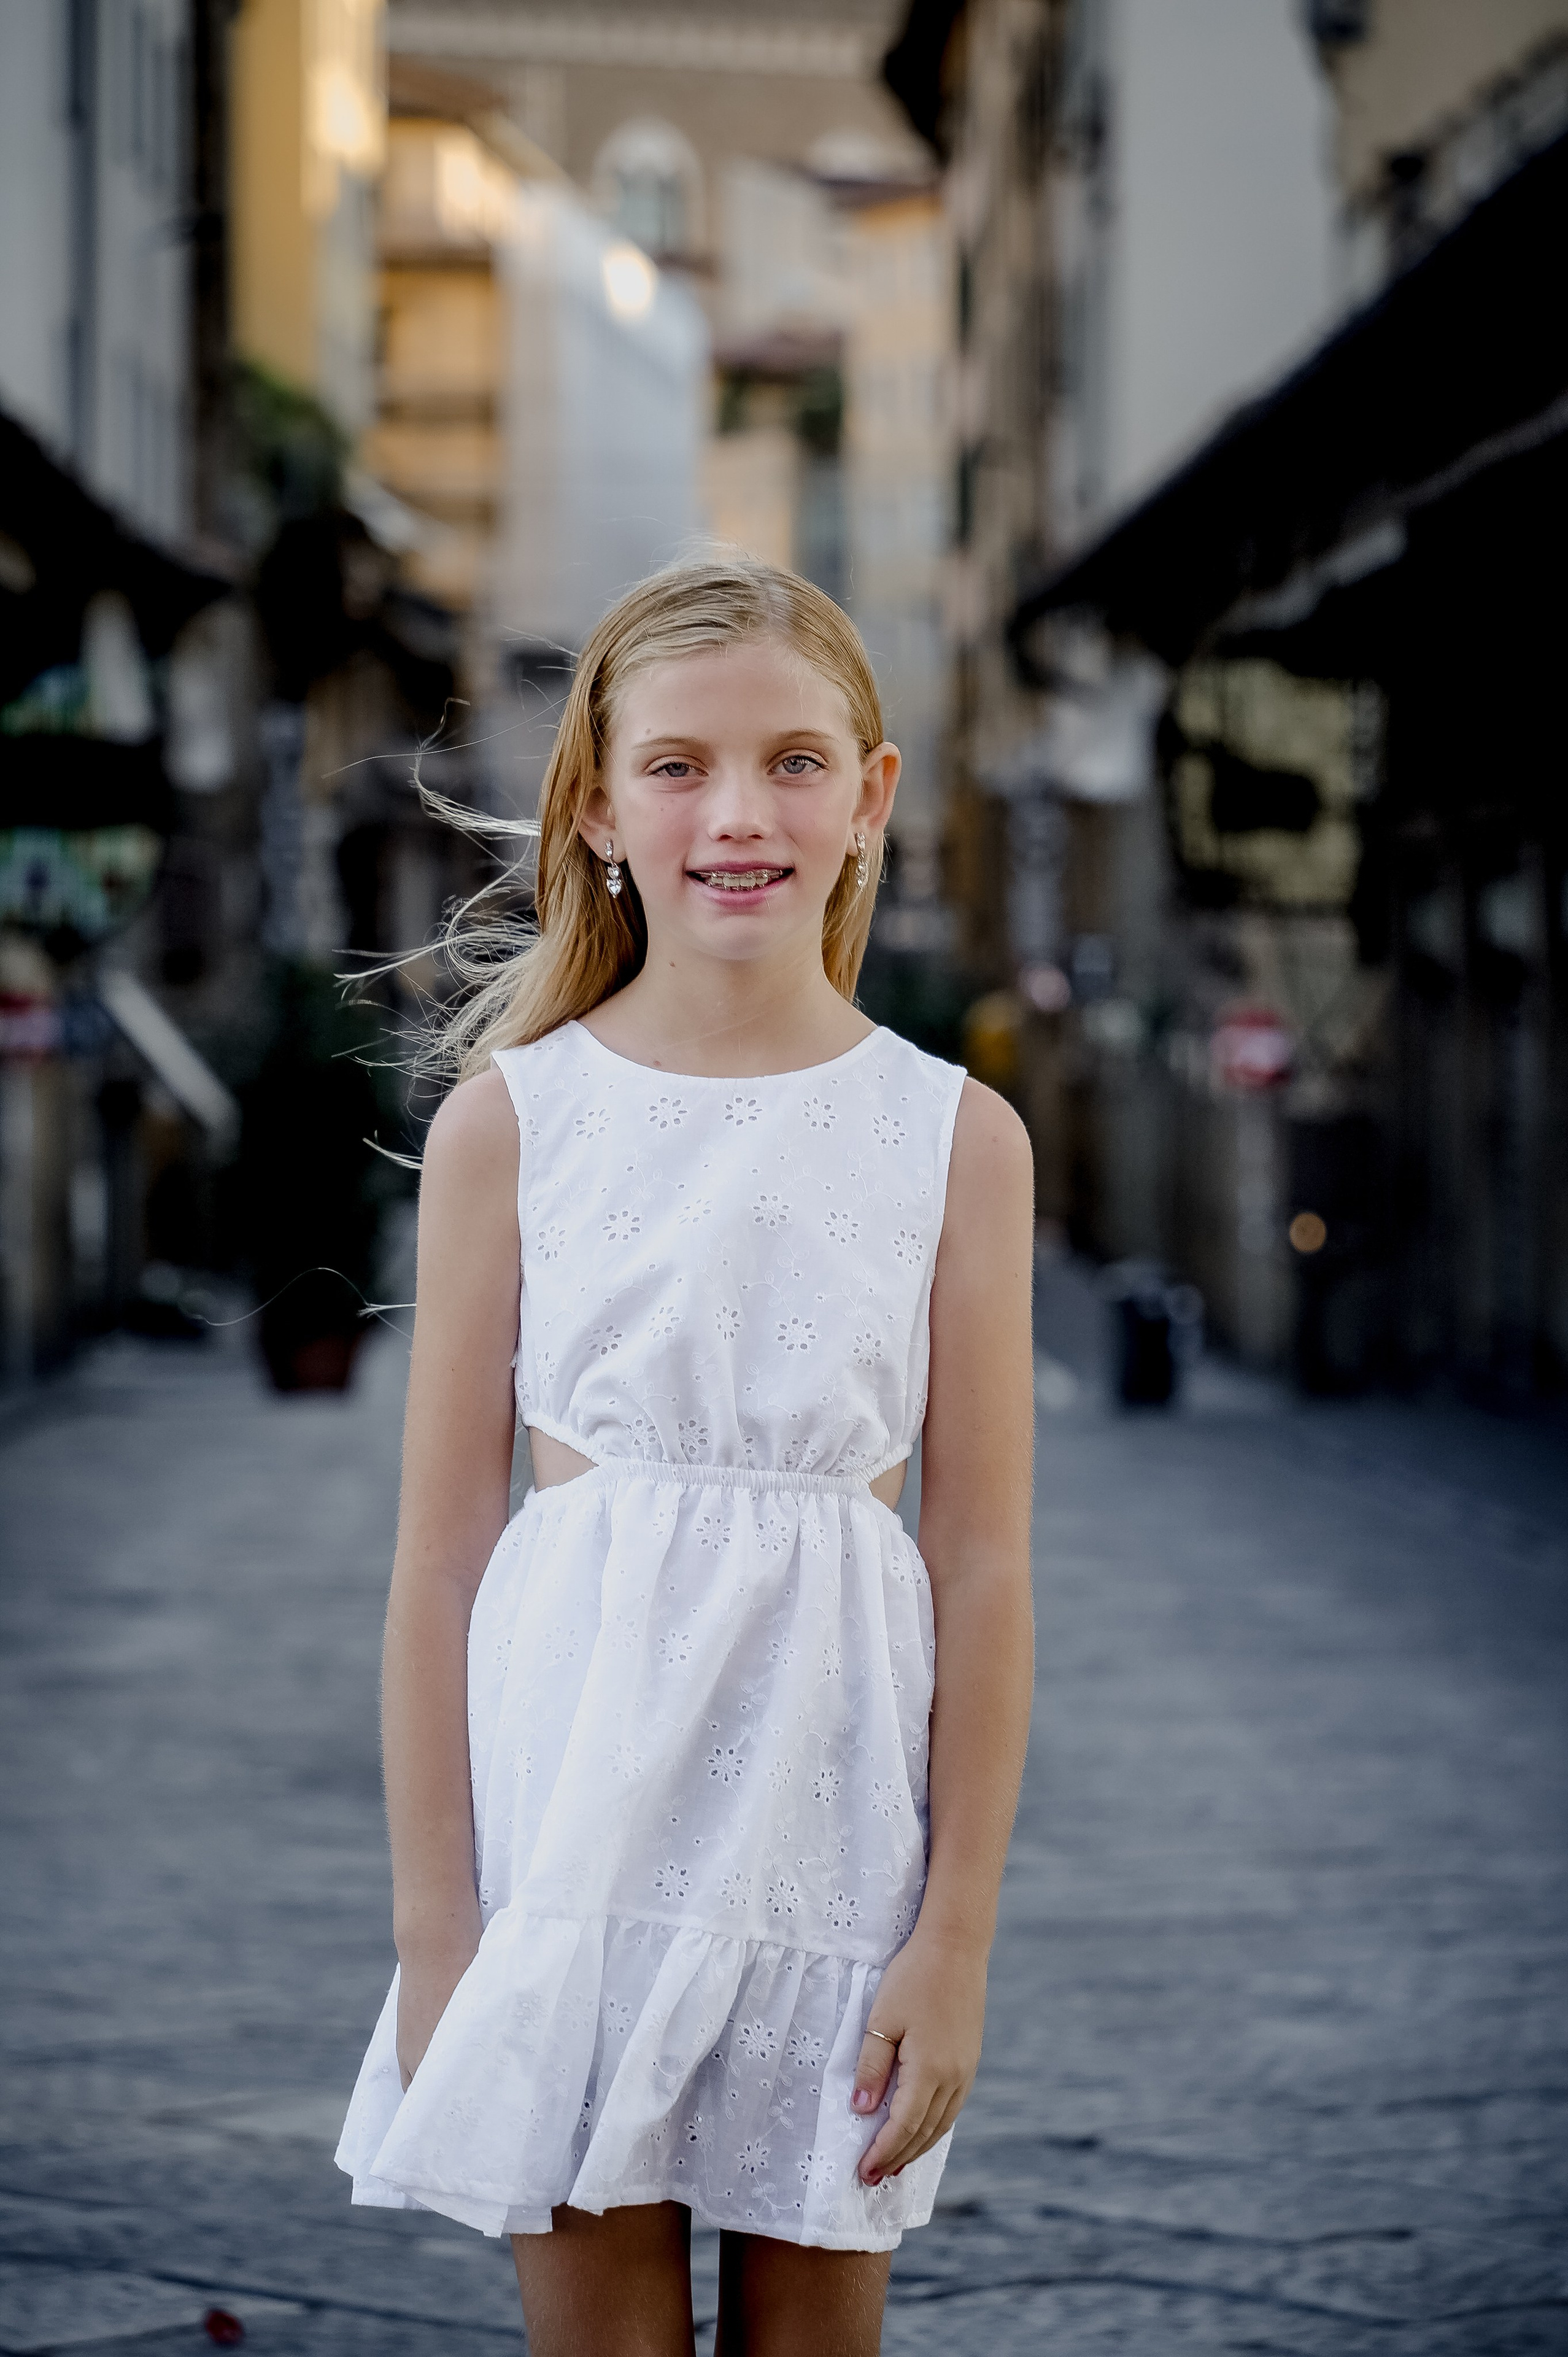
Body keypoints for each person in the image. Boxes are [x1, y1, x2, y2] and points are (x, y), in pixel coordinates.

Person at [336, 554, 1035, 2355]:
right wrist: (439, 1937)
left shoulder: (958, 1137)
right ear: (593, 804)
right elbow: (437, 1557)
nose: (740, 813)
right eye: (679, 766)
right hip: (568, 1842)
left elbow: (981, 1562)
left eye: (797, 762)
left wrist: (951, 1941)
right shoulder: (516, 1126)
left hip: (834, 1855)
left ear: (873, 799)